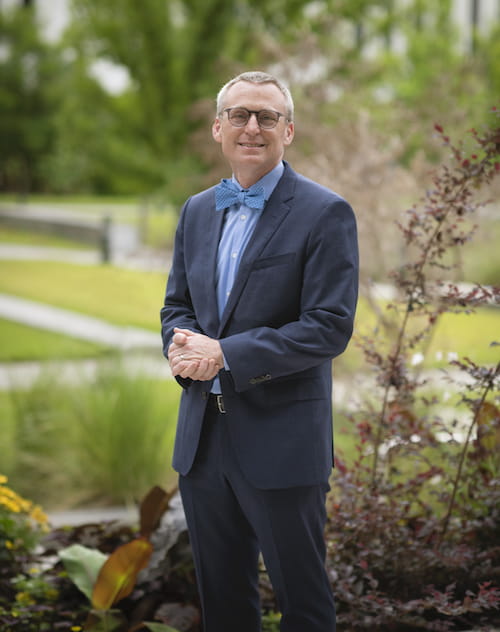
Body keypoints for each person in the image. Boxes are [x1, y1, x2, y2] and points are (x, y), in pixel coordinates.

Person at [160, 70, 358, 632]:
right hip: (201, 443)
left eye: (267, 117)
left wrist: (227, 354)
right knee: (223, 608)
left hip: (282, 444)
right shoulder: (197, 211)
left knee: (304, 607)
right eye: (240, 115)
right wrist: (182, 350)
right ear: (218, 128)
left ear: (288, 130)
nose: (253, 127)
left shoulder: (325, 214)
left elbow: (329, 327)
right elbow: (177, 307)